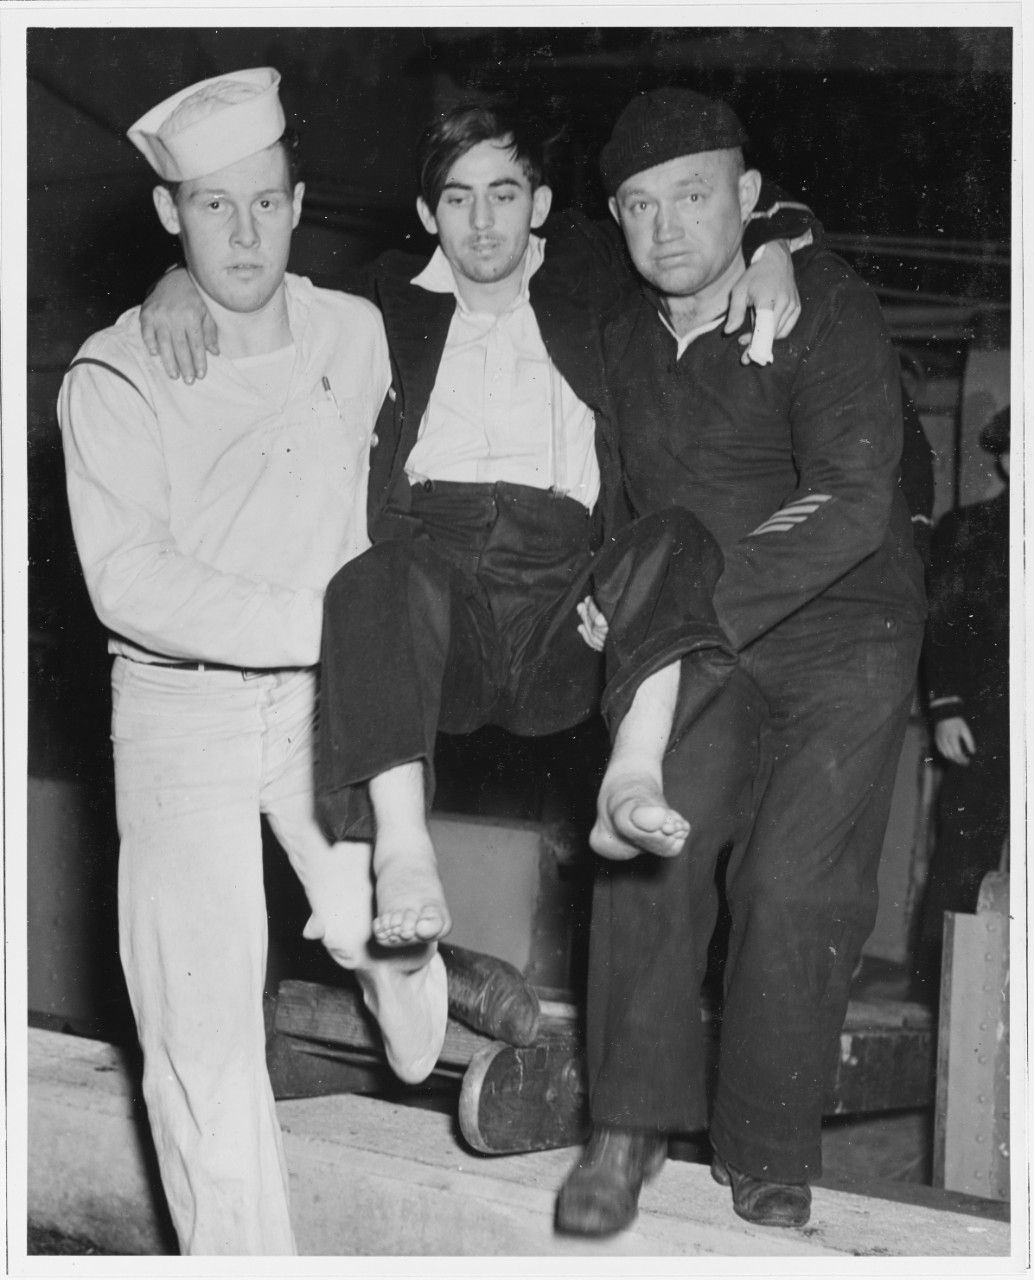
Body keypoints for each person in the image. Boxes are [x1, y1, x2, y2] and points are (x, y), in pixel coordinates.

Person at [139, 99, 816, 954]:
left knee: (675, 533)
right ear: (428, 215)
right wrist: (174, 282)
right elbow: (260, 289)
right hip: (440, 599)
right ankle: (403, 848)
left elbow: (735, 210)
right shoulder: (382, 296)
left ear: (538, 202)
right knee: (373, 572)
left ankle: (630, 778)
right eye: (456, 199)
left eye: (504, 193)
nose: (482, 220)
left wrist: (774, 254)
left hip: (566, 603)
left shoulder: (592, 264)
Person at [56, 68, 449, 1255]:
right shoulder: (115, 372)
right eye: (211, 209)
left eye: (266, 204)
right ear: (170, 212)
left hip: (333, 716)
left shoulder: (356, 329)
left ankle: (378, 947)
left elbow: (520, 277)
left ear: (298, 199)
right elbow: (130, 579)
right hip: (182, 723)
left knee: (396, 972)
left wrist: (778, 238)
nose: (243, 234)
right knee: (201, 1041)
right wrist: (325, 620)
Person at [553, 87, 927, 1237]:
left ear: (748, 199)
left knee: (789, 887)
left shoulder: (823, 305)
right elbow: (617, 497)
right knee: (649, 842)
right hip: (696, 634)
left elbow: (855, 497)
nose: (664, 228)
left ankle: (765, 1147)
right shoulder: (615, 334)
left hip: (841, 633)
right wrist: (598, 583)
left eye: (693, 196)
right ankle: (624, 1129)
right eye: (637, 205)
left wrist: (660, 607)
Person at [912, 405, 1010, 997]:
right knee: (964, 853)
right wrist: (946, 707)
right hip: (982, 719)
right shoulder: (966, 530)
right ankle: (935, 1003)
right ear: (1002, 456)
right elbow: (942, 625)